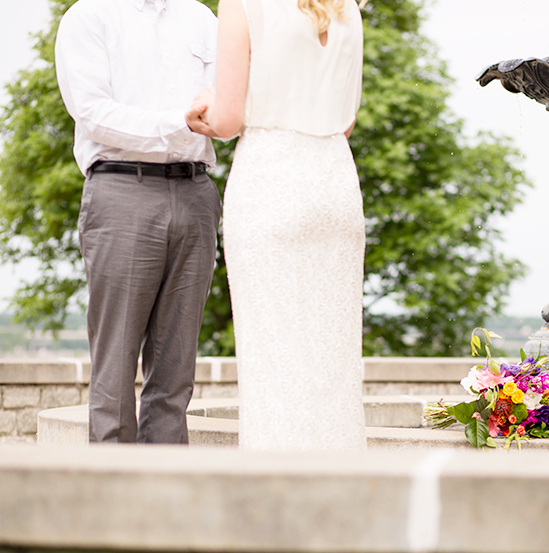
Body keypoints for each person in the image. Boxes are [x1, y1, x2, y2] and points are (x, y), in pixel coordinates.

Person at [193, 0, 367, 451]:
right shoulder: (348, 7)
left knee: (273, 354)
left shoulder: (242, 4)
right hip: (334, 180)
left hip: (271, 177)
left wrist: (197, 112)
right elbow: (346, 120)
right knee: (334, 356)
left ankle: (278, 487)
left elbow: (227, 119)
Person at [55, 0, 222, 443]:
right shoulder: (89, 17)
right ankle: (113, 498)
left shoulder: (203, 18)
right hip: (122, 188)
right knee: (115, 364)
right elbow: (92, 112)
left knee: (176, 370)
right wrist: (177, 121)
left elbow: (223, 108)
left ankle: (166, 497)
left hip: (196, 192)